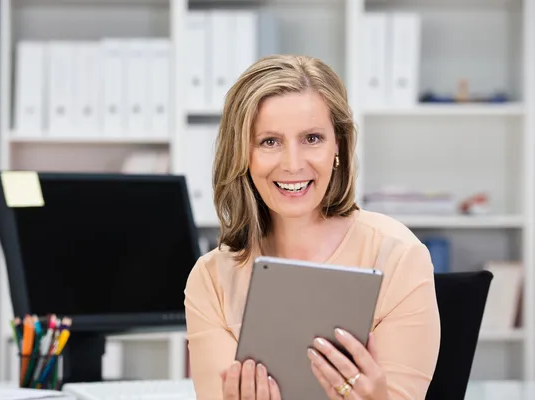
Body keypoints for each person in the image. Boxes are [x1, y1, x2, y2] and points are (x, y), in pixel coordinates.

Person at [184, 54, 441, 400]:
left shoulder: (398, 256)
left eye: (312, 138)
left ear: (338, 145)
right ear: (242, 154)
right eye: (269, 142)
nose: (293, 164)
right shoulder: (211, 279)